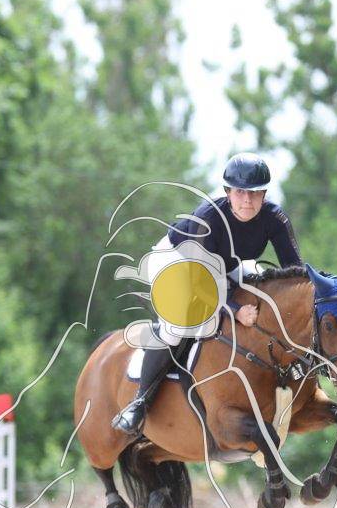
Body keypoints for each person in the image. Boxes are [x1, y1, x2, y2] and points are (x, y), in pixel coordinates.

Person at [112, 152, 303, 435]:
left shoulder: (275, 218)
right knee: (180, 324)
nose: (247, 200)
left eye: (254, 193)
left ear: (264, 194)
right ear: (228, 192)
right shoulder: (208, 218)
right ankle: (139, 403)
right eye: (240, 192)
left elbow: (294, 272)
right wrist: (235, 310)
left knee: (263, 285)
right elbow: (200, 285)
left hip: (224, 264)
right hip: (178, 263)